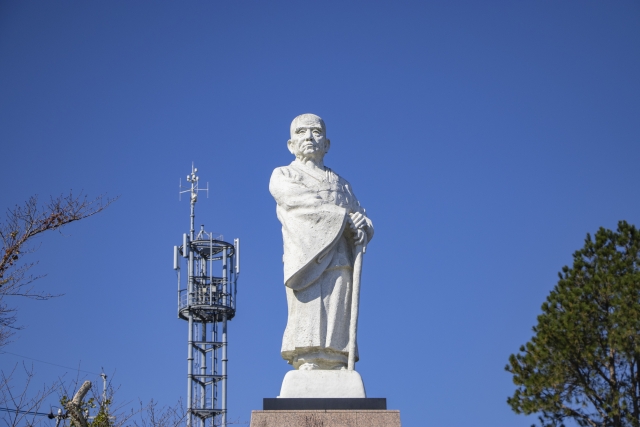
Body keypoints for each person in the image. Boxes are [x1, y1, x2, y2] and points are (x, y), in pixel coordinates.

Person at [269, 113, 374, 371]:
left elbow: (360, 213)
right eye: (301, 132)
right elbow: (299, 203)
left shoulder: (342, 184)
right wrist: (342, 217)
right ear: (290, 144)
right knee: (310, 306)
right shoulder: (284, 175)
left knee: (338, 301)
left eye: (315, 132)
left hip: (339, 255)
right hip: (305, 257)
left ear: (326, 143)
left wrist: (363, 226)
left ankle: (336, 356)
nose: (309, 137)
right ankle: (308, 356)